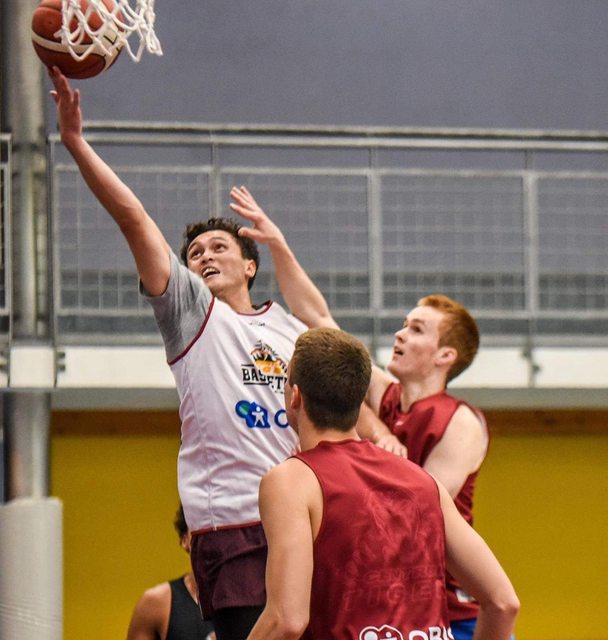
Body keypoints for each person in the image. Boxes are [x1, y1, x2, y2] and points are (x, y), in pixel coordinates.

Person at [48, 66, 352, 639]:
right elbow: (134, 219)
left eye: (219, 247)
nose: (205, 255)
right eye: (195, 252)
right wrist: (76, 143)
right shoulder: (192, 313)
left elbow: (325, 322)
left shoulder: (289, 329)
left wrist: (280, 243)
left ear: (250, 264)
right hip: (233, 523)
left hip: (305, 517)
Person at [247, 327, 519, 640]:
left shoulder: (292, 480)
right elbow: (503, 603)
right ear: (357, 400)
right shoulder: (423, 481)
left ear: (295, 396)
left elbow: (286, 620)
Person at [363, 294, 490, 640]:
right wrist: (379, 432)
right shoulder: (386, 400)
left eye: (416, 329)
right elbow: (322, 325)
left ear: (444, 355)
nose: (400, 334)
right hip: (396, 606)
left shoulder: (459, 421)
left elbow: (416, 518)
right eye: (404, 325)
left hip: (453, 613)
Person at [126, 505, 216, 640]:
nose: (213, 539)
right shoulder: (156, 604)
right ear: (185, 539)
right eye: (202, 528)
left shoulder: (251, 603)